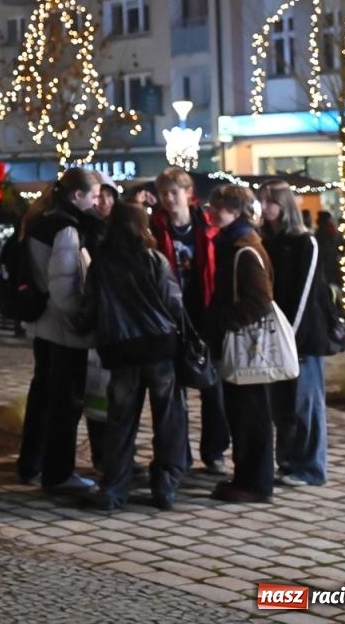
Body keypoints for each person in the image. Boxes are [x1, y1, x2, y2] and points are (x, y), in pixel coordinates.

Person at [74, 202, 187, 511]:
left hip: (122, 348)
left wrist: (82, 328)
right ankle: (165, 485)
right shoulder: (154, 259)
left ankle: (114, 487)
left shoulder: (102, 262)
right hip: (159, 347)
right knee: (168, 418)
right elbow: (174, 303)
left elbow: (90, 306)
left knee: (121, 420)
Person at [17, 167, 104, 494]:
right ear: (77, 195)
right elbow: (64, 286)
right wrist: (81, 318)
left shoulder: (40, 220)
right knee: (66, 403)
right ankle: (59, 473)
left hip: (43, 324)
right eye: (94, 196)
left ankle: (32, 464)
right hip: (64, 328)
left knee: (42, 397)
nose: (97, 203)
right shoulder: (66, 229)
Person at [150, 167, 229, 476]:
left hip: (205, 315)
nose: (169, 199)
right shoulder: (155, 227)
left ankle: (214, 451)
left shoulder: (207, 225)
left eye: (174, 192)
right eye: (164, 193)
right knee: (173, 391)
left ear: (188, 193)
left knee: (213, 387)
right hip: (170, 318)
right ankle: (178, 455)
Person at [204, 184, 278, 504]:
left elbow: (259, 300)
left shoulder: (243, 247)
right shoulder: (235, 241)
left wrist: (225, 321)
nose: (212, 212)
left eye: (218, 207)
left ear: (234, 210)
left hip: (246, 345)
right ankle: (246, 477)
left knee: (250, 414)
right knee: (242, 412)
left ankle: (255, 482)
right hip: (239, 342)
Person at [260, 182, 332, 486]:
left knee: (306, 404)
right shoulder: (266, 240)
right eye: (263, 201)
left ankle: (310, 467)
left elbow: (306, 293)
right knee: (282, 404)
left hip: (302, 337)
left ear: (284, 205)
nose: (265, 207)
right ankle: (288, 462)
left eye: (271, 202)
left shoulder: (305, 242)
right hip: (275, 334)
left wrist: (292, 334)